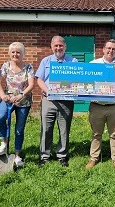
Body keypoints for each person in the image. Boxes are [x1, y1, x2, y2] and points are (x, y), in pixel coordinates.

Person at [86, 39, 115, 172]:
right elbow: (86, 82)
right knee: (96, 134)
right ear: (103, 49)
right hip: (97, 106)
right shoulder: (93, 64)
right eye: (108, 48)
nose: (110, 51)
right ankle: (94, 158)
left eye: (113, 49)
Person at [35, 35, 78, 168]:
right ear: (51, 47)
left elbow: (78, 79)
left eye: (61, 45)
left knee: (64, 129)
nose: (58, 48)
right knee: (46, 129)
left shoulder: (73, 61)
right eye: (56, 45)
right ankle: (44, 156)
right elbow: (39, 79)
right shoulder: (46, 61)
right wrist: (48, 91)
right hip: (49, 100)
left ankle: (62, 156)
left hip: (66, 101)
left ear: (65, 47)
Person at [0, 42, 34, 167]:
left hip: (23, 101)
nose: (15, 54)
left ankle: (17, 156)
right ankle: (4, 142)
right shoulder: (6, 66)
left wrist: (21, 95)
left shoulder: (28, 67)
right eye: (13, 52)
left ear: (23, 54)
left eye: (18, 52)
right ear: (10, 53)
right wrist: (3, 96)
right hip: (8, 99)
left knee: (19, 130)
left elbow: (32, 84)